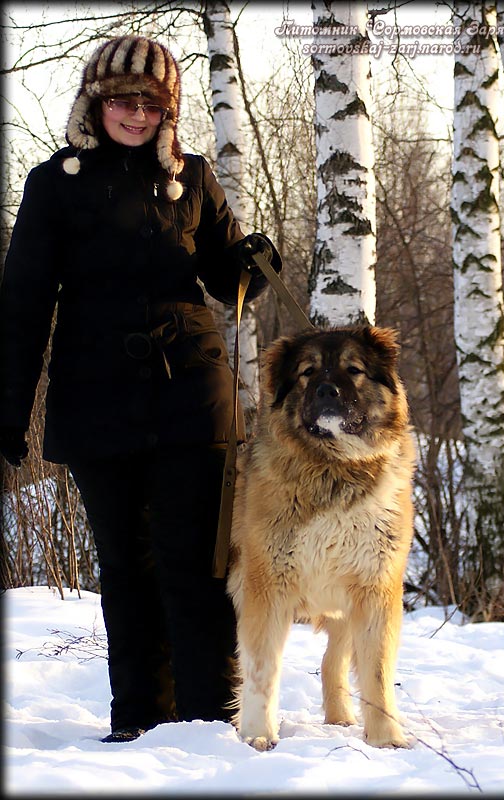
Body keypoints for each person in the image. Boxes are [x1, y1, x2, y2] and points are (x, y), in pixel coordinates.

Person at [0, 35, 281, 743]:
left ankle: (212, 720)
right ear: (94, 102)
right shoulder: (53, 183)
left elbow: (228, 281)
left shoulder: (193, 175)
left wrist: (252, 260)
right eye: (122, 100)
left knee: (198, 565)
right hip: (97, 396)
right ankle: (137, 724)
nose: (136, 114)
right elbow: (23, 302)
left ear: (169, 112)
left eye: (152, 104)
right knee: (127, 566)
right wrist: (10, 407)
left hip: (193, 395)